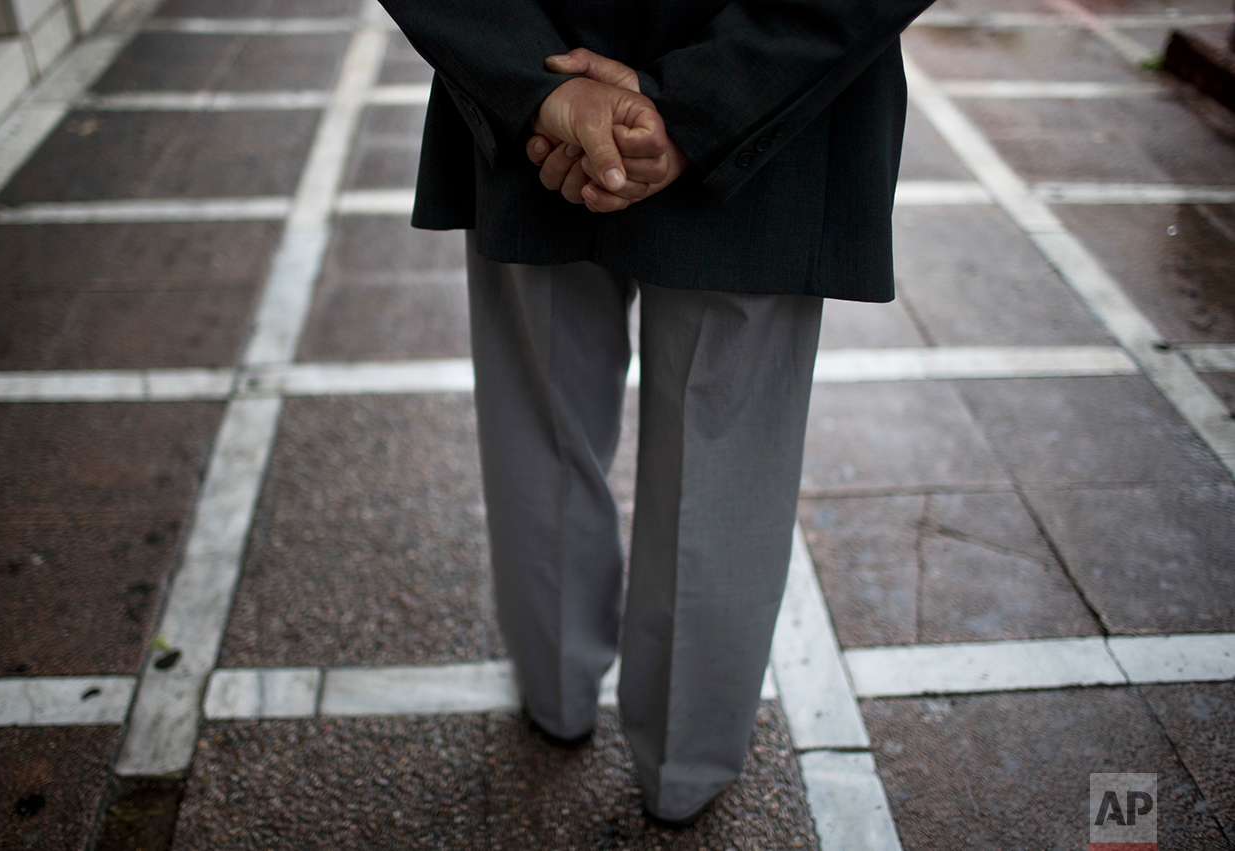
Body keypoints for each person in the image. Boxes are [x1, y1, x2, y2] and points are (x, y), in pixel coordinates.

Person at [379, 0, 933, 825]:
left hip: (539, 68)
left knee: (538, 425)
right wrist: (703, 102)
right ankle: (684, 765)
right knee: (725, 462)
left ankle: (556, 693)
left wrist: (534, 84)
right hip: (769, 93)